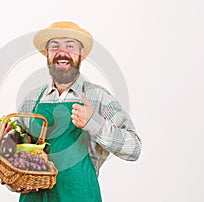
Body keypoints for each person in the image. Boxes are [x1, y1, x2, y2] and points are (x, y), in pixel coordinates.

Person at [15, 21, 141, 202]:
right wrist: (16, 180)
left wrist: (95, 123)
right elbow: (15, 157)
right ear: (48, 54)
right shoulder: (31, 100)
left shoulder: (99, 98)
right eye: (55, 46)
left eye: (70, 46)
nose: (62, 52)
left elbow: (134, 148)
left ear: (81, 54)